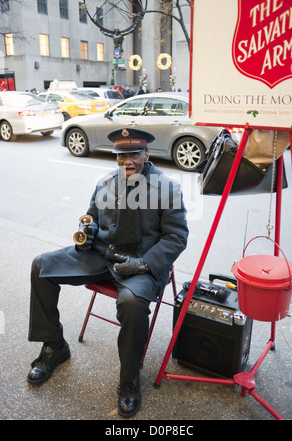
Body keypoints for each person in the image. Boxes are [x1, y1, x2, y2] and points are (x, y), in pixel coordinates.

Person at [27, 128, 189, 418]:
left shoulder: (168, 188)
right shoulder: (105, 182)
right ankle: (54, 345)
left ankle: (129, 379)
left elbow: (176, 237)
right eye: (120, 155)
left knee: (131, 303)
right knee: (41, 266)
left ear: (146, 154)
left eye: (132, 155)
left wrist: (143, 264)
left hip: (140, 262)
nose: (126, 161)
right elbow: (90, 217)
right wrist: (88, 232)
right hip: (101, 255)